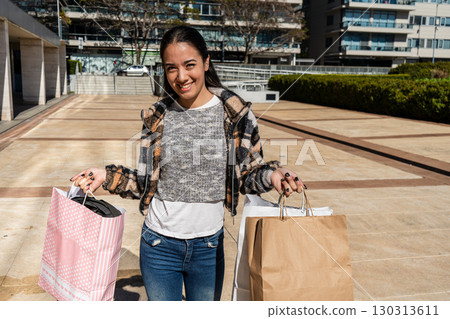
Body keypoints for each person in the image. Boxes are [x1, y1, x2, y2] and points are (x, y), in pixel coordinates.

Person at [71, 26, 305, 301]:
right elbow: (146, 182)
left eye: (189, 65)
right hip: (158, 245)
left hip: (209, 246)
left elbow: (249, 173)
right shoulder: (156, 117)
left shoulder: (237, 115)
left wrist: (274, 175)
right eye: (172, 68)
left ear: (206, 62)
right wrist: (106, 176)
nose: (181, 77)